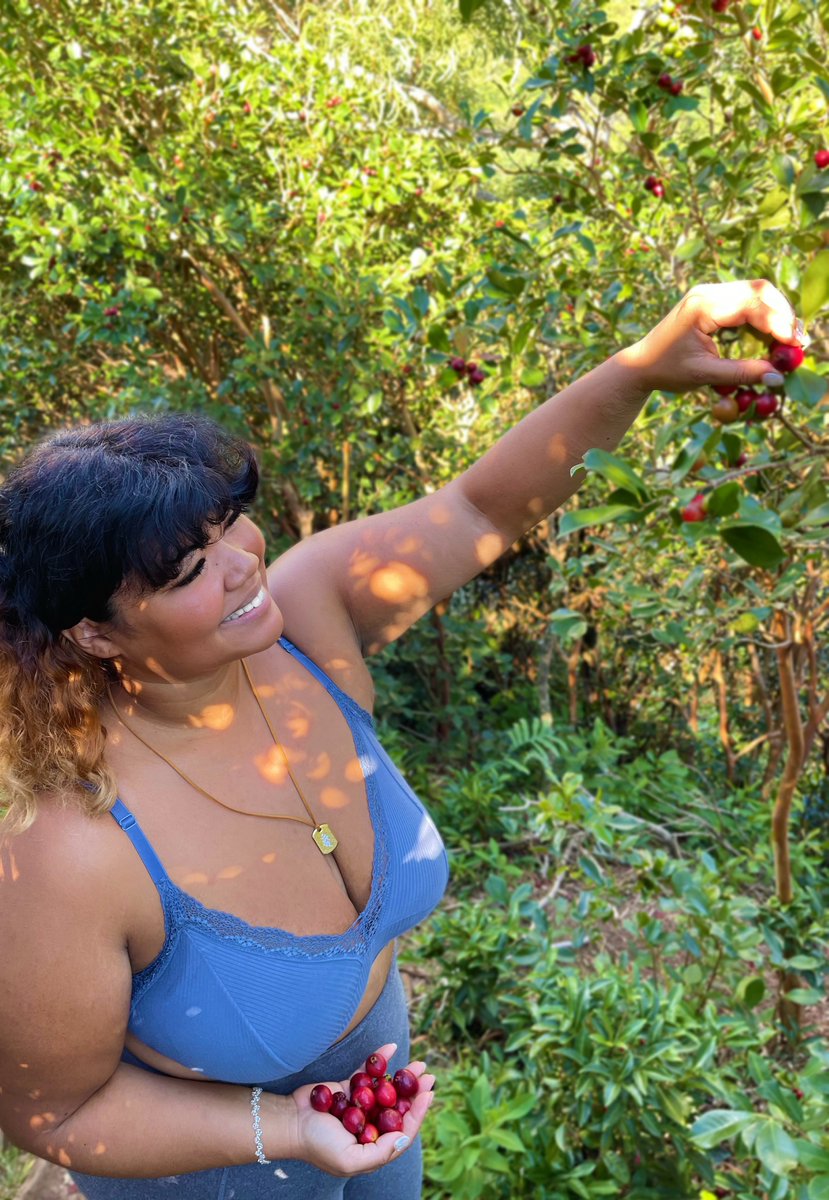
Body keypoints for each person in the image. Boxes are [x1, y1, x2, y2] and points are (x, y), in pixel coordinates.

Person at [0, 280, 806, 1199]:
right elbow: (52, 1116)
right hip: (225, 1175)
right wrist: (290, 1127)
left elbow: (481, 511)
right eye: (189, 568)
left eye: (228, 525)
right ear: (96, 633)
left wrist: (644, 368)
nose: (242, 564)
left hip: (377, 1141)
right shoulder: (71, 850)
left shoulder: (308, 618)